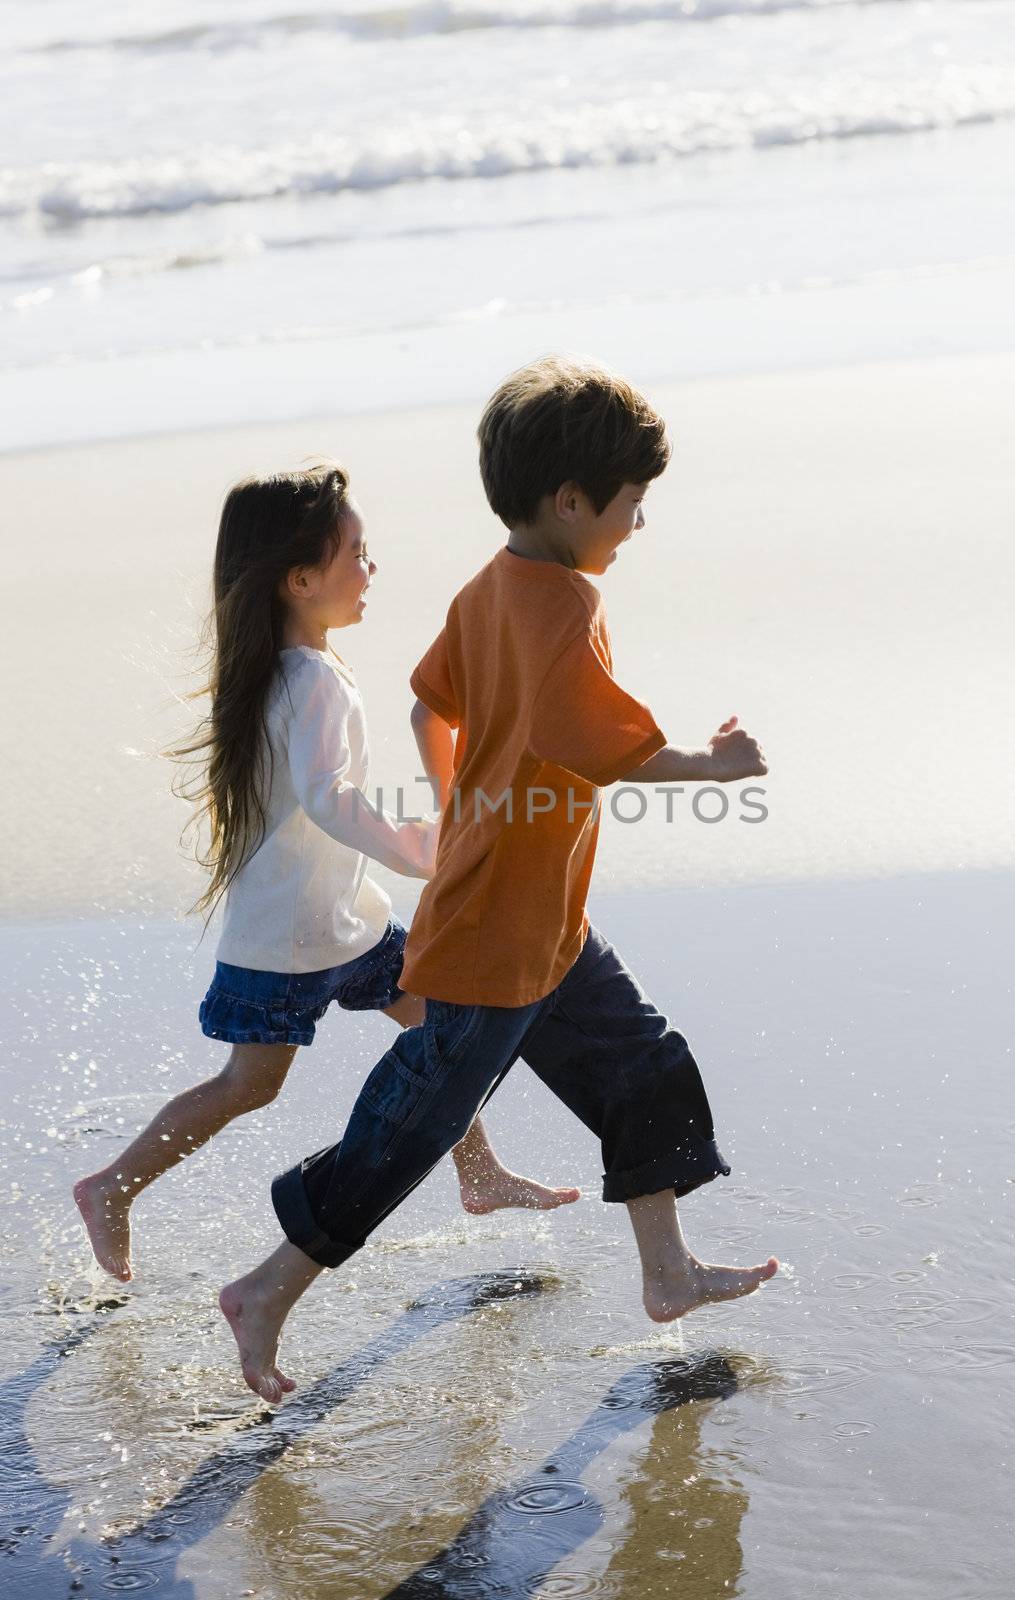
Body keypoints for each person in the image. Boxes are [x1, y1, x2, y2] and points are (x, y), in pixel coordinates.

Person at [219, 361, 778, 1404]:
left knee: (642, 1061)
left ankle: (664, 1270)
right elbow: (585, 743)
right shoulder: (565, 602)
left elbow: (432, 705)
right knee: (415, 1120)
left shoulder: (488, 585)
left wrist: (461, 803)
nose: (637, 524)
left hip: (540, 916)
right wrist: (710, 767)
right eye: (631, 503)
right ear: (570, 501)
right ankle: (265, 1288)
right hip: (494, 931)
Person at [73, 464, 579, 1283]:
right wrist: (422, 850)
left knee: (443, 1032)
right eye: (357, 553)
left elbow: (319, 799)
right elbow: (329, 797)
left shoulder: (290, 667)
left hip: (342, 918)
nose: (370, 568)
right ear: (301, 578)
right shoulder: (306, 677)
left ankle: (476, 1172)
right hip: (289, 938)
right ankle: (112, 1188)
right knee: (249, 1085)